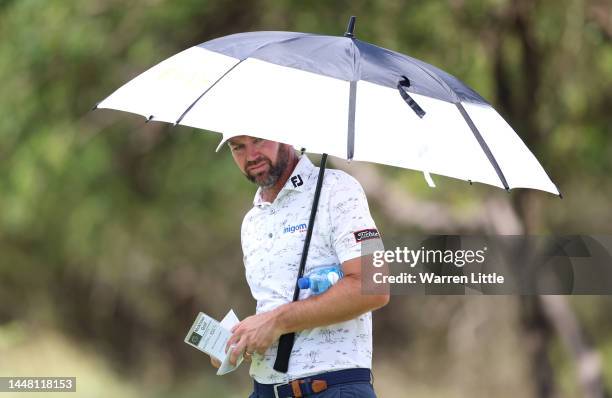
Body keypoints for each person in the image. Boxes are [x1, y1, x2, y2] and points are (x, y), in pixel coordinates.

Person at [212, 135, 389, 398]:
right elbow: (272, 309)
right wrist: (240, 340)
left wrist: (277, 322)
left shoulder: (340, 188)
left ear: (285, 135)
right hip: (264, 389)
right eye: (238, 147)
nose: (250, 156)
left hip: (332, 388)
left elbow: (375, 286)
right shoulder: (252, 221)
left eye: (259, 140)